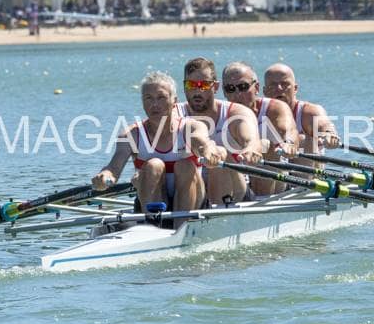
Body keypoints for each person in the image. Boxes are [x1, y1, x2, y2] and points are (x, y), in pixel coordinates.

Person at [92, 71, 224, 224]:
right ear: (142, 102)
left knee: (185, 165)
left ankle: (182, 226)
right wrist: (104, 177)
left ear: (174, 101)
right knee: (153, 165)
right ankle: (153, 225)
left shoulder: (191, 127)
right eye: (149, 98)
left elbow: (202, 143)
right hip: (151, 200)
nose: (154, 105)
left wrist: (208, 153)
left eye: (161, 98)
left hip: (193, 203)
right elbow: (114, 168)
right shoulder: (131, 134)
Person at [176, 57, 263, 205]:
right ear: (184, 87)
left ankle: (218, 213)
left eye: (204, 85)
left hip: (236, 192)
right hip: (196, 191)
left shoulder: (236, 113)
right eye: (191, 85)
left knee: (220, 153)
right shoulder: (174, 113)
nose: (197, 91)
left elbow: (252, 140)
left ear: (215, 87)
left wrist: (251, 149)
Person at [221, 61, 298, 194]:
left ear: (256, 88)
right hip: (238, 183)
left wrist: (289, 143)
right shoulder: (217, 112)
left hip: (275, 180)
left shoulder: (275, 108)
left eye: (243, 87)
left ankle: (263, 197)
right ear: (224, 92)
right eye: (230, 88)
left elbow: (289, 130)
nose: (237, 94)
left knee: (264, 144)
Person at [263, 63, 340, 171]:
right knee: (264, 143)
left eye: (284, 84)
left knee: (301, 139)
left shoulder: (309, 112)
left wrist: (329, 134)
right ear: (264, 91)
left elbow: (324, 124)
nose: (279, 89)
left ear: (295, 89)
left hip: (307, 173)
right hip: (274, 174)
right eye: (273, 85)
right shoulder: (256, 112)